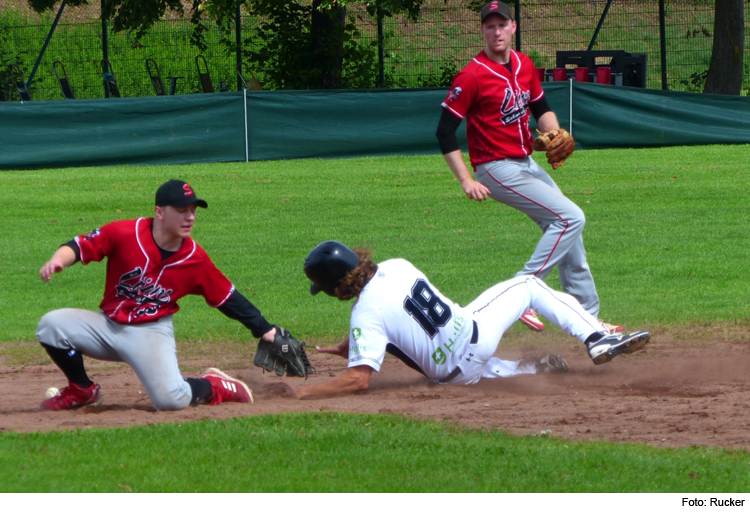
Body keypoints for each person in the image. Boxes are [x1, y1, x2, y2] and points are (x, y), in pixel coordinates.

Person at [266, 241, 650, 400]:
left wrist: (305, 392)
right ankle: (568, 350)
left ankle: (572, 349)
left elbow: (358, 379)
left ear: (334, 287)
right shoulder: (396, 266)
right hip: (474, 336)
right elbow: (394, 315)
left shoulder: (364, 316)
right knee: (528, 285)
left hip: (453, 375)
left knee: (526, 286)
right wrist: (353, 342)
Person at [435, 1, 619, 334]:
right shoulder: (472, 75)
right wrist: (465, 179)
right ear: (482, 31)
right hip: (496, 169)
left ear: (513, 27)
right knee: (571, 217)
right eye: (489, 26)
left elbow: (541, 108)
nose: (496, 31)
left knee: (569, 233)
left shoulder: (523, 64)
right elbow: (444, 130)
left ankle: (588, 319)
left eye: (501, 25)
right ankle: (523, 293)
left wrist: (555, 132)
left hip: (526, 164)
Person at [36, 179, 287, 411]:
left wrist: (265, 329)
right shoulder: (125, 233)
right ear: (159, 212)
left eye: (193, 210)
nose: (190, 217)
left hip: (151, 333)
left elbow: (227, 297)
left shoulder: (195, 259)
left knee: (170, 400)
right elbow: (78, 246)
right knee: (51, 325)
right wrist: (57, 261)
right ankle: (82, 391)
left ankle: (214, 385)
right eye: (181, 211)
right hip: (108, 326)